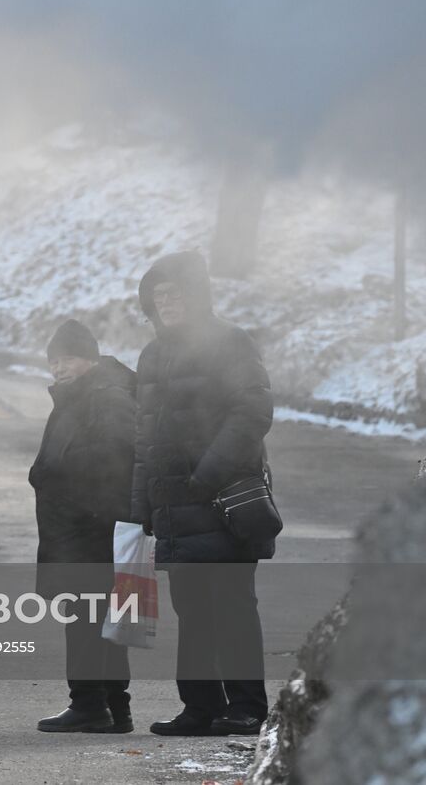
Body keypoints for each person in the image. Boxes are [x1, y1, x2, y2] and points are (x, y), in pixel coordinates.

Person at [131, 251, 276, 736]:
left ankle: (249, 707)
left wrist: (207, 474)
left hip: (223, 501)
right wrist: (141, 507)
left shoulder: (229, 342)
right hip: (173, 507)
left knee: (232, 606)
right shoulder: (152, 355)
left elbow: (252, 412)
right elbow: (143, 440)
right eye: (159, 295)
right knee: (192, 612)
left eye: (175, 293)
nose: (167, 302)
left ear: (196, 296)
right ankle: (200, 707)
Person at [31, 319, 137, 734]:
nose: (59, 367)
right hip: (83, 530)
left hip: (93, 531)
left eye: (68, 358)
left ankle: (91, 704)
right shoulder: (80, 397)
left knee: (87, 620)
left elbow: (115, 460)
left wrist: (87, 508)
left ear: (90, 358)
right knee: (100, 621)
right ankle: (113, 708)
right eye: (54, 360)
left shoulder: (106, 399)